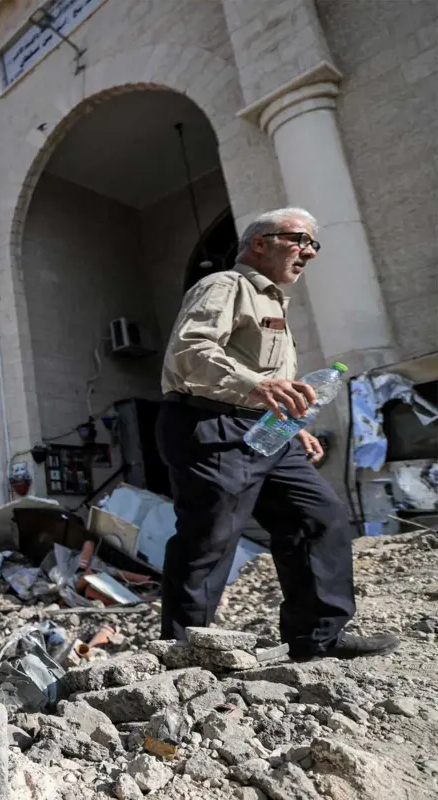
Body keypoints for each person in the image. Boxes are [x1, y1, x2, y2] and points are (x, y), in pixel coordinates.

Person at [157, 207, 398, 661]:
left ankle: (318, 636)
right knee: (209, 537)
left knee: (318, 515)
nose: (308, 252)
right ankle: (184, 653)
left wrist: (290, 427)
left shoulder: (275, 303)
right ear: (259, 243)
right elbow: (190, 353)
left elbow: (268, 391)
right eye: (299, 240)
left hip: (264, 434)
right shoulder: (225, 286)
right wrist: (258, 384)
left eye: (313, 245)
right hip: (210, 426)